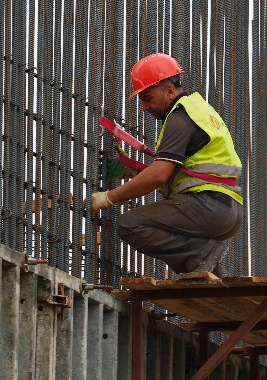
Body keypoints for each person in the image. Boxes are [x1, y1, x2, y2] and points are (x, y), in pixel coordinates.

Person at [90, 53, 243, 277]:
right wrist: (134, 171)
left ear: (169, 90)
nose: (145, 107)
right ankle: (210, 265)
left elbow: (158, 176)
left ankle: (203, 254)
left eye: (148, 98)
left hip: (208, 207)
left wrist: (109, 197)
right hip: (228, 210)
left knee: (129, 224)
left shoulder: (180, 118)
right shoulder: (198, 109)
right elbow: (187, 170)